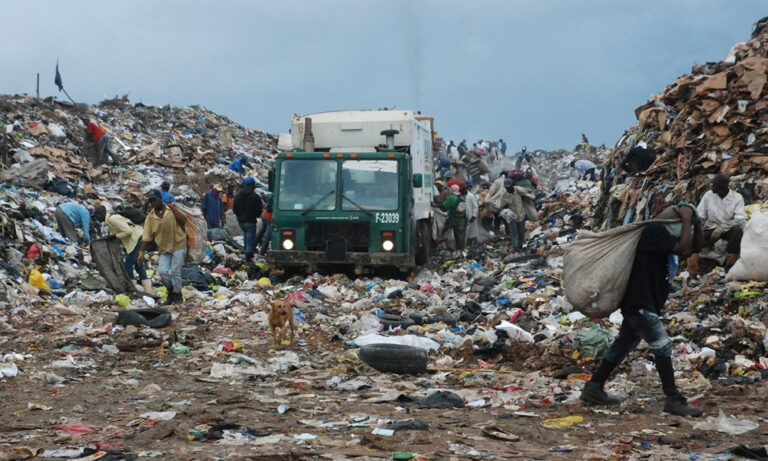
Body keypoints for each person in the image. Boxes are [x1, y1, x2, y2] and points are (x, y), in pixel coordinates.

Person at [580, 205, 704, 416]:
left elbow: (694, 248)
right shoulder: (655, 231)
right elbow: (684, 249)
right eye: (685, 226)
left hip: (645, 303)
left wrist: (697, 224)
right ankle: (673, 398)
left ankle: (594, 387)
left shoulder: (665, 236)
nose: (687, 230)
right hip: (639, 302)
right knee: (662, 346)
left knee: (623, 345)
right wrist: (686, 220)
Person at [138, 190, 188, 305]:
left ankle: (178, 296)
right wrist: (141, 251)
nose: (152, 203)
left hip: (178, 244)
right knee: (163, 272)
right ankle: (171, 293)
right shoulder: (150, 217)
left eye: (154, 200)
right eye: (151, 201)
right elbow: (147, 236)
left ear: (160, 198)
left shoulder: (171, 209)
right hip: (164, 248)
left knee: (175, 271)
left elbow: (183, 220)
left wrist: (173, 208)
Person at [689, 174, 746, 273]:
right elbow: (701, 215)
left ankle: (730, 263)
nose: (712, 187)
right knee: (695, 240)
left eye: (715, 185)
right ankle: (693, 268)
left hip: (727, 229)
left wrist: (722, 228)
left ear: (723, 187)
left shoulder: (737, 197)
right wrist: (697, 229)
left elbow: (740, 219)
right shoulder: (708, 195)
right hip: (710, 227)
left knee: (737, 232)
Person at [105, 207, 153, 295]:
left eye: (97, 216)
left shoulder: (112, 219)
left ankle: (132, 290)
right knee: (138, 265)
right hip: (140, 236)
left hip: (136, 239)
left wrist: (115, 236)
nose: (97, 218)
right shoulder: (111, 219)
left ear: (101, 214)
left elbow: (128, 231)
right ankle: (149, 292)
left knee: (128, 265)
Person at [233, 177, 263, 261]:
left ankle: (247, 250)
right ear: (252, 186)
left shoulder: (238, 196)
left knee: (246, 235)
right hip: (251, 221)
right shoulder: (255, 197)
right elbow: (258, 210)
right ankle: (249, 253)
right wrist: (256, 215)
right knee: (250, 236)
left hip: (241, 222)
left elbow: (235, 209)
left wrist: (239, 216)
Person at [443, 185, 467, 252]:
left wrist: (435, 205)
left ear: (451, 190)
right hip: (463, 220)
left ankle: (459, 251)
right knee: (461, 237)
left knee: (457, 237)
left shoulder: (452, 197)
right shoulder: (461, 197)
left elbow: (444, 207)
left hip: (455, 220)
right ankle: (462, 250)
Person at [464, 181, 480, 247]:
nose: (470, 188)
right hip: (468, 216)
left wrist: (474, 216)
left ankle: (473, 244)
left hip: (472, 216)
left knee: (473, 231)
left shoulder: (470, 196)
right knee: (470, 232)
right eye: (469, 186)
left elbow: (475, 207)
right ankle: (470, 245)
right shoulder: (466, 195)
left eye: (470, 186)